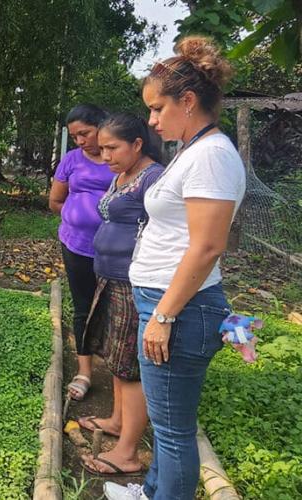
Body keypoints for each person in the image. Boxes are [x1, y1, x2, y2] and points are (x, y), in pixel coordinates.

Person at [103, 36, 245, 500]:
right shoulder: (193, 149)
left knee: (173, 431)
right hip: (166, 301)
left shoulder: (212, 156)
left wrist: (163, 316)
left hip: (180, 308)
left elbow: (207, 248)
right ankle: (151, 491)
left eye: (158, 108)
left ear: (188, 101)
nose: (150, 119)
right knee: (168, 424)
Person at [76, 113, 164, 476]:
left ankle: (127, 451)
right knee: (115, 358)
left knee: (130, 367)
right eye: (104, 147)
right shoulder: (122, 175)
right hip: (110, 278)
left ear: (137, 144)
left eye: (113, 147)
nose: (105, 153)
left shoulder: (153, 178)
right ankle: (115, 419)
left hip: (132, 284)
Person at [49, 103, 115, 400]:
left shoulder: (119, 157)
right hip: (76, 245)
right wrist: (78, 216)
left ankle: (117, 368)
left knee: (117, 307)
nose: (80, 141)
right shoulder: (71, 160)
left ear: (101, 126)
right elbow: (55, 201)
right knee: (82, 305)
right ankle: (85, 370)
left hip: (116, 250)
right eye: (74, 136)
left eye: (84, 133)